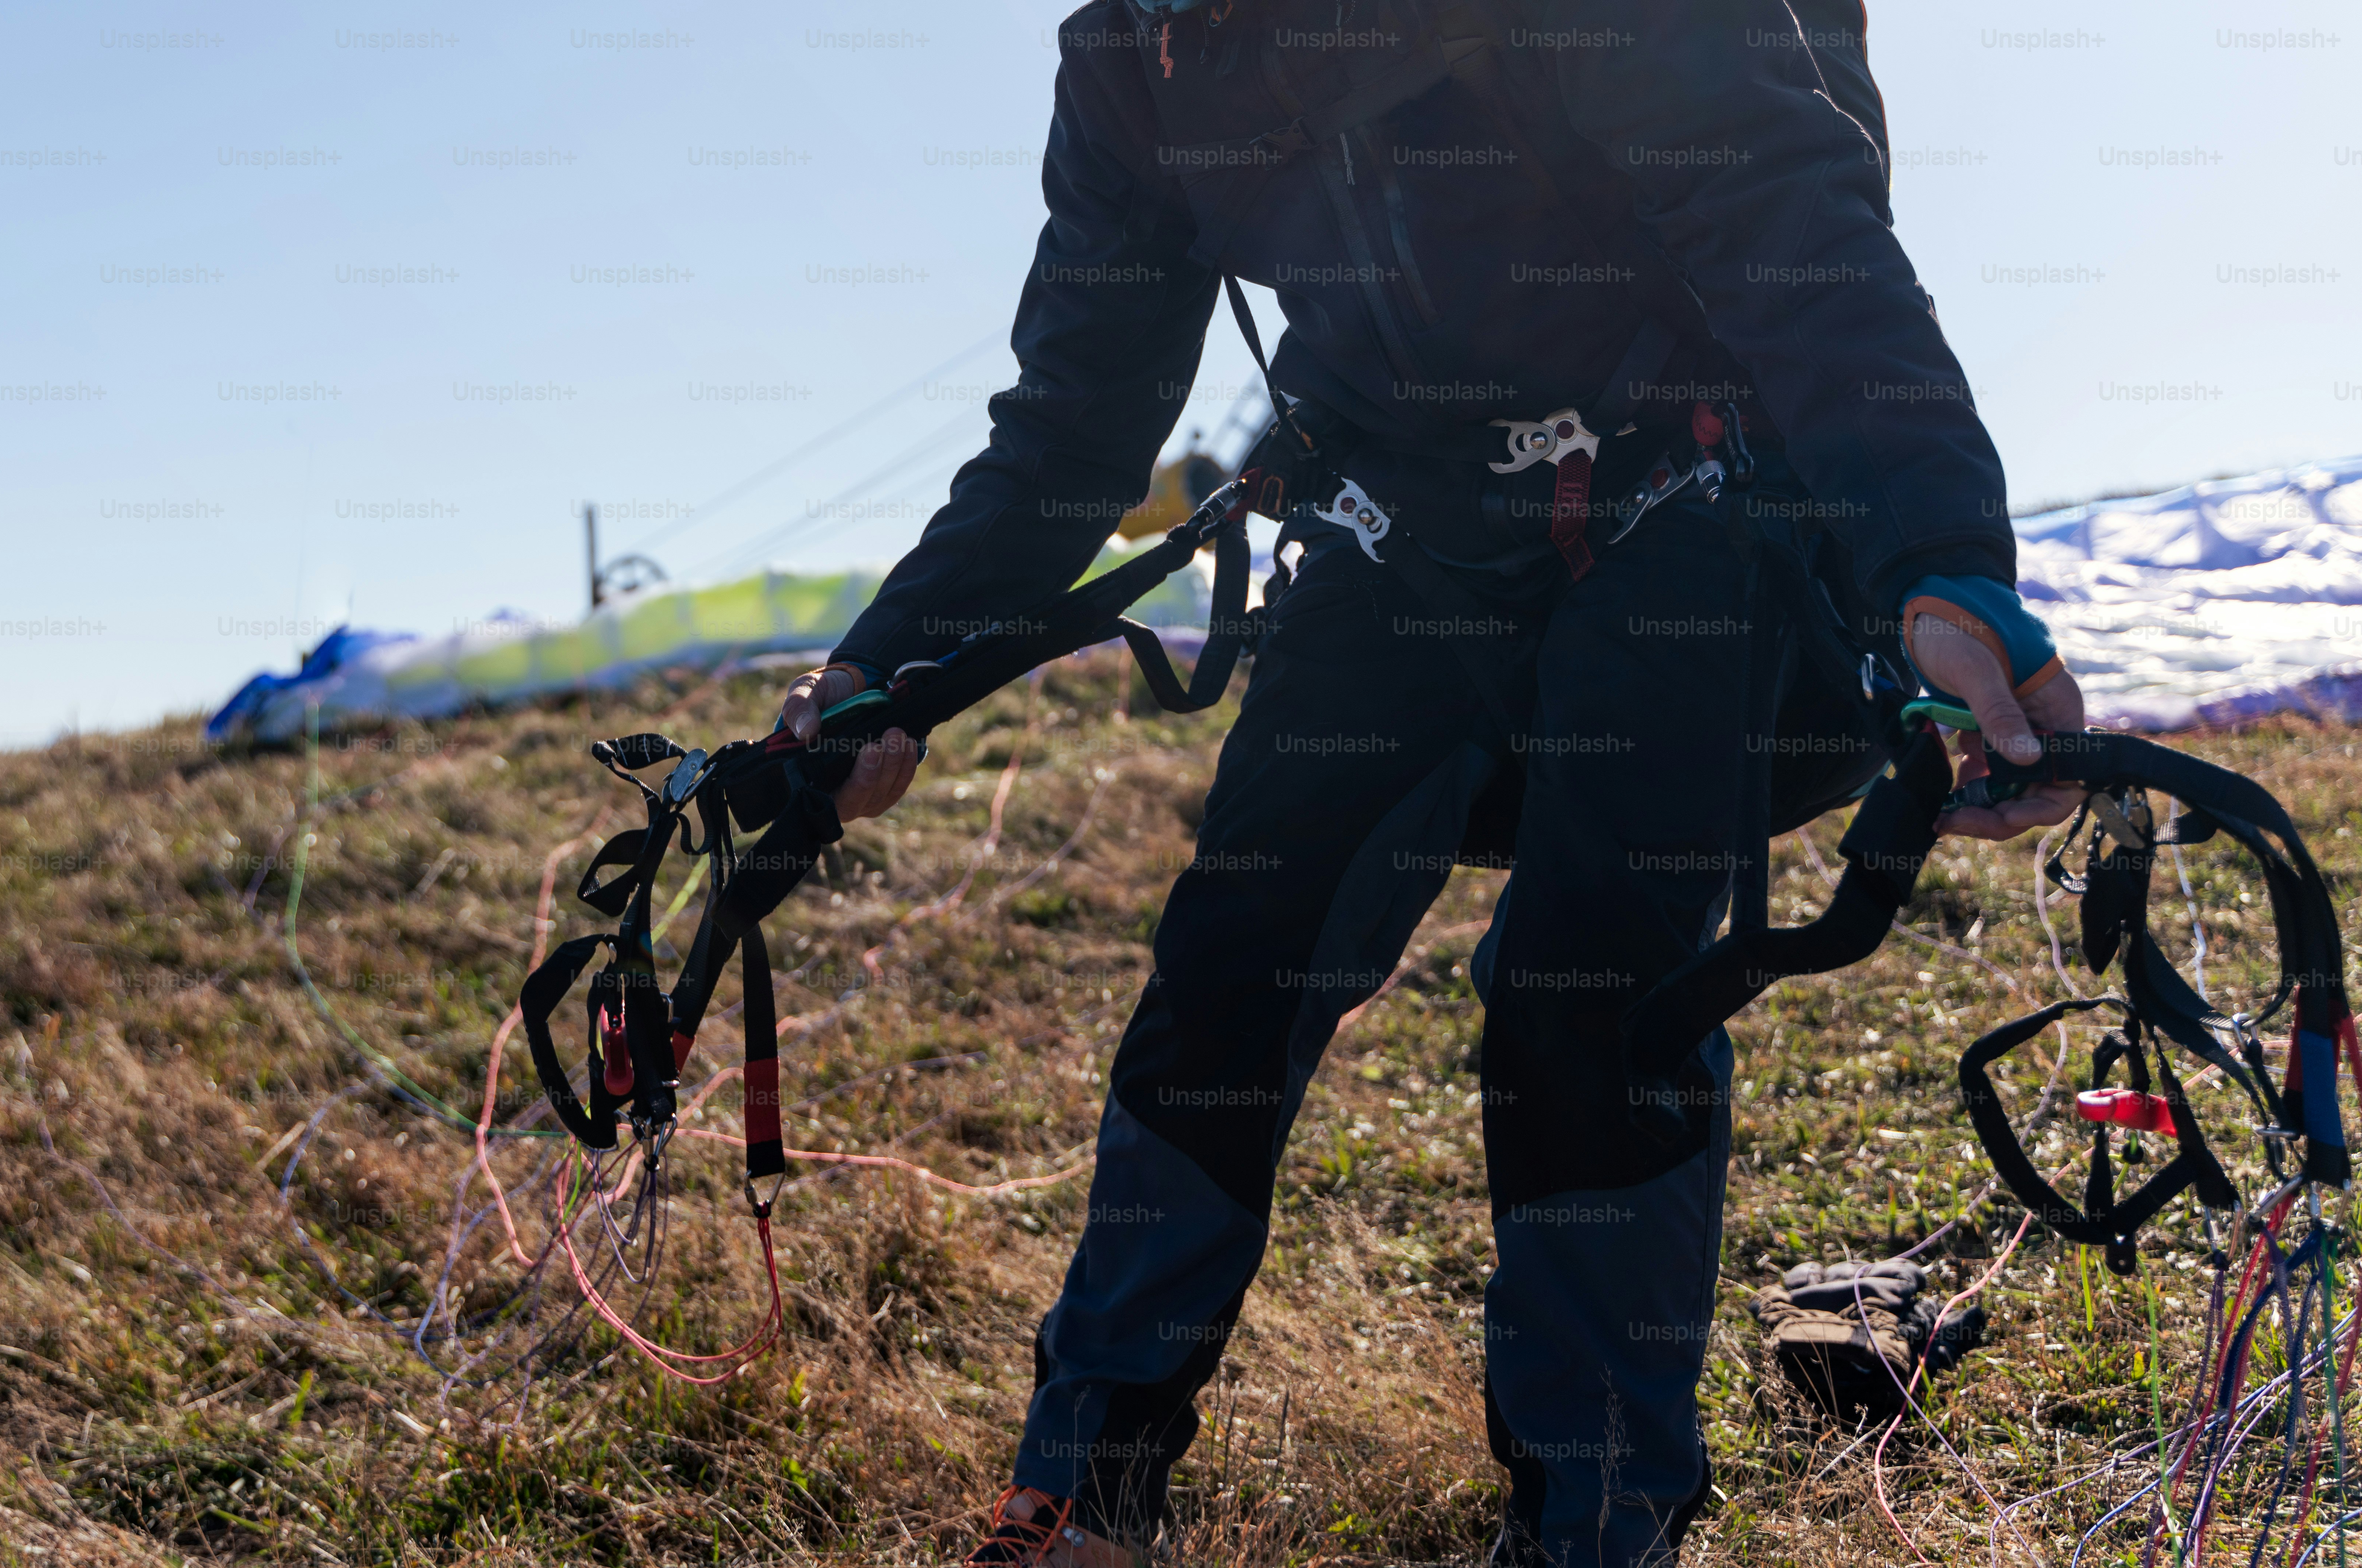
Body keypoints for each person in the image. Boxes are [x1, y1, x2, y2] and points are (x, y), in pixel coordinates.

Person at [779, 0, 2084, 1560]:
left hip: (1679, 496)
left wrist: (1937, 563)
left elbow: (1791, 232)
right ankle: (1082, 1491)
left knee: (1587, 988)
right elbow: (1074, 421)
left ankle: (1598, 1525)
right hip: (1392, 532)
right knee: (1232, 960)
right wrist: (887, 666)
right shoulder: (1135, 55)